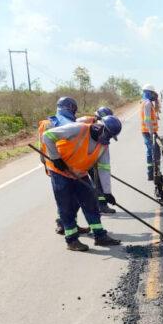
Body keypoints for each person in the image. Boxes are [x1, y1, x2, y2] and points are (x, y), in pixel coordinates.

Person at [42, 116, 123, 251]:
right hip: (60, 172)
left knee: (91, 203)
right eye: (107, 134)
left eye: (111, 136)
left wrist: (107, 192)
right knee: (67, 206)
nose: (107, 138)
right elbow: (47, 135)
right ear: (100, 127)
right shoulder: (77, 129)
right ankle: (72, 240)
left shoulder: (104, 145)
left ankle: (100, 236)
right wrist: (56, 158)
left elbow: (104, 169)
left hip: (80, 174)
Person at [40, 97, 89, 235]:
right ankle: (67, 227)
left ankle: (64, 224)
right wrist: (57, 161)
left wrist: (46, 164)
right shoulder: (68, 124)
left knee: (64, 199)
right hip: (62, 166)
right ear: (71, 108)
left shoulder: (46, 123)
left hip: (52, 165)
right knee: (69, 199)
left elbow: (41, 148)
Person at [78, 106, 116, 214]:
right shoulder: (82, 122)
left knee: (98, 181)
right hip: (77, 159)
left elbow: (105, 167)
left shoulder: (104, 138)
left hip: (90, 159)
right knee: (78, 186)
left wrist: (107, 192)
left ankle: (102, 205)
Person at [141, 84, 159, 181]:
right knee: (152, 151)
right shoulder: (147, 103)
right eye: (152, 93)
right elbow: (147, 119)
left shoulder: (145, 102)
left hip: (147, 131)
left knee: (151, 151)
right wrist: (151, 132)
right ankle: (151, 173)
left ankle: (151, 173)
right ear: (148, 93)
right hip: (148, 132)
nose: (153, 95)